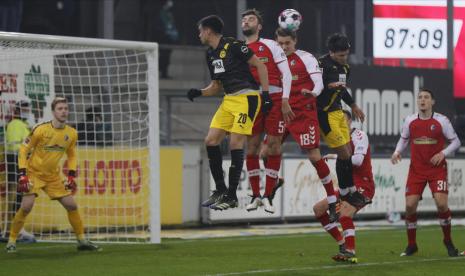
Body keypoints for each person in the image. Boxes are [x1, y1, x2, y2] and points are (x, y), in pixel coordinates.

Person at [187, 15, 269, 211]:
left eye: (200, 31)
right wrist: (199, 92)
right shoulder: (210, 54)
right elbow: (216, 86)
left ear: (208, 31)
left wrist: (266, 95)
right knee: (211, 141)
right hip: (229, 99)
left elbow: (260, 65)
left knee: (235, 142)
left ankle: (232, 196)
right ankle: (221, 190)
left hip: (247, 97)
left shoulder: (233, 45)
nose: (199, 35)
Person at [257, 28, 337, 221]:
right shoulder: (273, 60)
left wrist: (314, 93)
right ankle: (275, 180)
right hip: (280, 112)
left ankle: (333, 200)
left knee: (314, 157)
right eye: (281, 44)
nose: (284, 47)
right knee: (264, 154)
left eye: (288, 43)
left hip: (302, 113)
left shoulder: (306, 58)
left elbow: (318, 83)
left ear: (295, 41)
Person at [5, 97, 101, 253]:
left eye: (66, 108)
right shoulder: (41, 129)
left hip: (52, 177)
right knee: (26, 207)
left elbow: (71, 155)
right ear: (53, 111)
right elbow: (23, 150)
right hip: (33, 173)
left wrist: (71, 176)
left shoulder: (71, 133)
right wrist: (22, 174)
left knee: (71, 205)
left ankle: (82, 240)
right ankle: (11, 240)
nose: (64, 111)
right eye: (60, 109)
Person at [391, 88, 461, 257]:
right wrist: (396, 151)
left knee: (442, 204)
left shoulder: (441, 121)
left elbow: (456, 142)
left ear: (432, 102)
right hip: (416, 170)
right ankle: (412, 244)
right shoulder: (410, 120)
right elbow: (404, 138)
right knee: (409, 206)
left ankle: (447, 240)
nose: (422, 100)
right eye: (420, 97)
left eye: (426, 97)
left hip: (437, 170)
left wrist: (442, 153)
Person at [241, 9, 293, 214]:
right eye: (244, 19)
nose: (246, 21)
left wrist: (286, 100)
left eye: (251, 19)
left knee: (273, 146)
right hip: (250, 101)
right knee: (252, 148)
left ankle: (268, 195)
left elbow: (286, 74)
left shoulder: (271, 45)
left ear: (259, 26)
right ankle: (255, 196)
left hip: (274, 98)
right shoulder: (238, 49)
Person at [313, 110, 375, 263]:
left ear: (349, 122)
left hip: (363, 185)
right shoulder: (339, 139)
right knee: (319, 209)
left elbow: (359, 161)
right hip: (347, 186)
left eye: (342, 120)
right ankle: (342, 244)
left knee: (344, 213)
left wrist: (335, 156)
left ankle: (350, 250)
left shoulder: (359, 135)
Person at [317, 33, 367, 208]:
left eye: (346, 54)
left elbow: (342, 90)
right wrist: (326, 86)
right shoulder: (320, 65)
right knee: (344, 154)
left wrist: (353, 105)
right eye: (340, 55)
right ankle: (346, 192)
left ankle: (349, 191)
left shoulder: (345, 68)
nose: (344, 58)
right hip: (324, 114)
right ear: (331, 52)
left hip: (338, 112)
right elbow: (313, 88)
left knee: (346, 152)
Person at [4, 100, 36, 242]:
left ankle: (13, 228)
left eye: (27, 109)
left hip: (18, 160)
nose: (26, 111)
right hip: (16, 160)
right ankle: (15, 229)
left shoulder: (22, 125)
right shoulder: (16, 124)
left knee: (19, 194)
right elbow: (15, 145)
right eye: (24, 108)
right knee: (19, 193)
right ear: (17, 110)